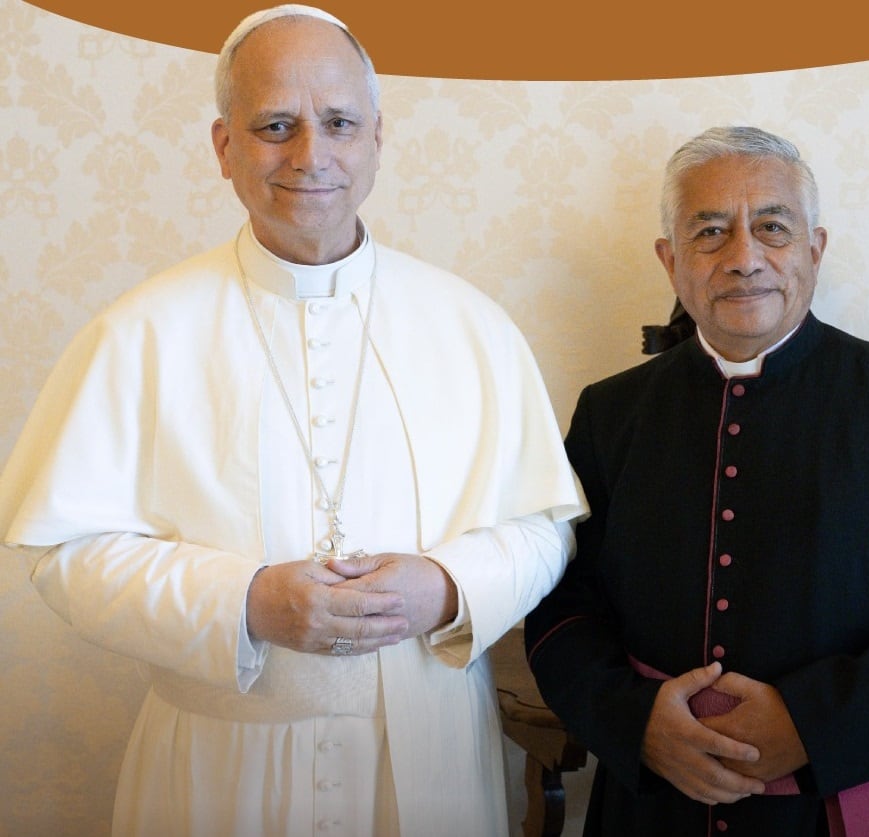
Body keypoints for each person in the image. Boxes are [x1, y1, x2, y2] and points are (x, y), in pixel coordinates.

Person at [0, 5, 586, 836]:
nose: (311, 155)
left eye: (338, 122)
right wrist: (241, 601)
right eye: (276, 124)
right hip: (219, 766)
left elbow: (544, 527)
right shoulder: (140, 331)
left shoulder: (470, 324)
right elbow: (66, 553)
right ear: (224, 146)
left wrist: (447, 585)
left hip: (429, 764)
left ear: (376, 138)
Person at [525, 126, 869, 836]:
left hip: (842, 802)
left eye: (771, 227)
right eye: (710, 232)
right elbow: (560, 602)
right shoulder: (610, 413)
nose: (743, 258)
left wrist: (810, 725)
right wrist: (636, 724)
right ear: (670, 260)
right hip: (656, 804)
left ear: (813, 250)